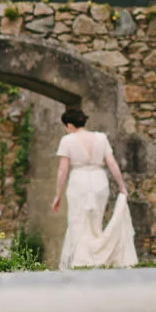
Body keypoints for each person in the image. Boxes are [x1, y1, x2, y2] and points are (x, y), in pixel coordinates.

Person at [50, 106, 136, 269]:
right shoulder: (101, 138)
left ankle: (81, 259)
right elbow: (112, 163)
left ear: (69, 125)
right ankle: (97, 256)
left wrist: (57, 195)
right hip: (99, 181)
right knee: (95, 223)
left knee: (78, 221)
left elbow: (63, 169)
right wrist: (122, 186)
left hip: (79, 181)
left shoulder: (67, 140)